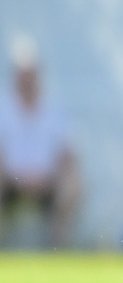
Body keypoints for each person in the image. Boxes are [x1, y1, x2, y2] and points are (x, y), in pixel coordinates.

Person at [0, 39, 81, 248]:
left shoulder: (54, 110)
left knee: (73, 184)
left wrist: (47, 178)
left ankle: (58, 249)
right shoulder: (3, 109)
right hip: (10, 183)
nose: (26, 80)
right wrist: (16, 178)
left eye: (30, 74)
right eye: (22, 75)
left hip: (48, 183)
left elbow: (67, 153)